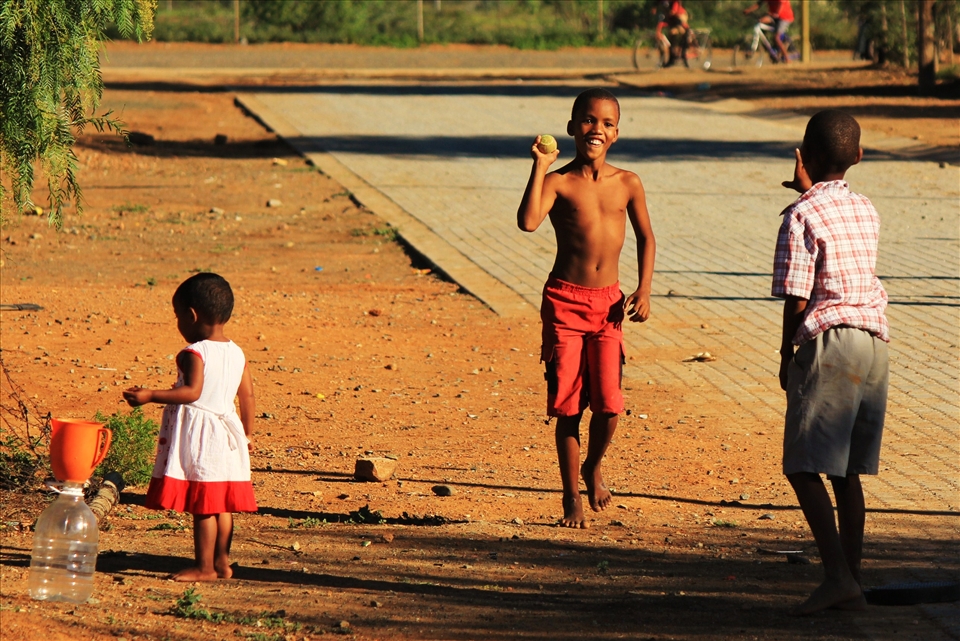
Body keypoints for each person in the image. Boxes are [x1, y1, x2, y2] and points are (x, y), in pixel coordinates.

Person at [517, 88, 656, 529]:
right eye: (589, 121)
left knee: (611, 406)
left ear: (617, 133)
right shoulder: (559, 182)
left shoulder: (628, 182)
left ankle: (593, 465)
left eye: (607, 123)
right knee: (569, 407)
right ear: (573, 127)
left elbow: (647, 238)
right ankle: (570, 496)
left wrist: (645, 288)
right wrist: (539, 167)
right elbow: (527, 221)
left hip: (609, 305)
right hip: (564, 302)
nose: (597, 129)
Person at [773, 110, 889, 615]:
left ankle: (838, 577)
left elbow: (797, 297)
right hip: (874, 344)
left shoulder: (801, 215)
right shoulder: (866, 207)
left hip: (831, 344)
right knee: (846, 473)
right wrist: (812, 186)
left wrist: (786, 353)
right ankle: (854, 578)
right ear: (859, 156)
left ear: (804, 156)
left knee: (802, 465)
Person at [123, 272, 257, 581]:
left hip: (204, 435)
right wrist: (248, 433)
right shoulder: (237, 352)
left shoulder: (195, 353)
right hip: (228, 432)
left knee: (204, 504)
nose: (178, 324)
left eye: (177, 316)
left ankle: (204, 567)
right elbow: (247, 394)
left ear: (192, 315)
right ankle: (223, 563)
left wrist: (150, 395)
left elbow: (192, 392)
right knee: (222, 503)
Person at [654, 0, 690, 67]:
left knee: (679, 31)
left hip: (679, 15)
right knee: (670, 37)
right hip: (671, 17)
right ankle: (672, 58)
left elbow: (675, 8)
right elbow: (657, 4)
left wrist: (672, 12)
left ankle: (684, 49)